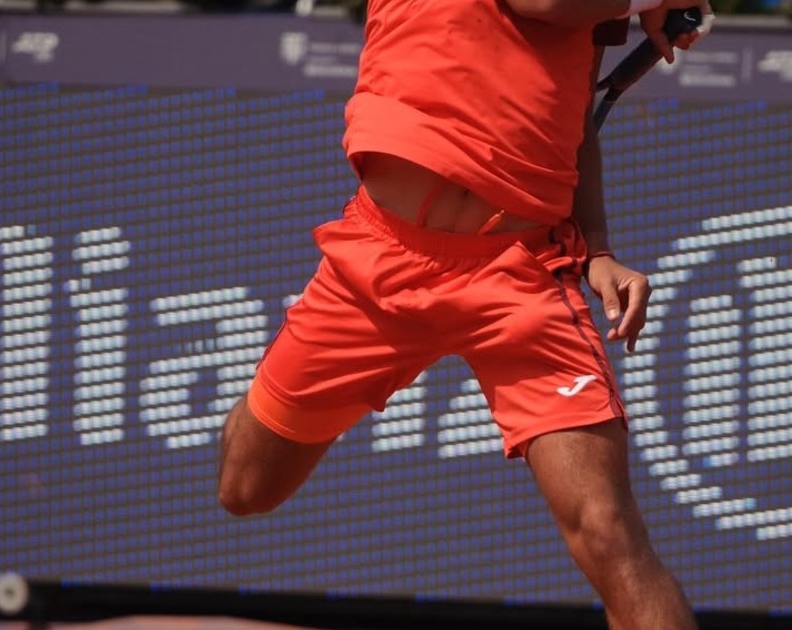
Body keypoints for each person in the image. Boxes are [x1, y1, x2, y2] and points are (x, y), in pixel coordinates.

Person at [217, 0, 712, 627]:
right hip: (378, 260)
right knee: (246, 487)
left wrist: (598, 249)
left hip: (522, 273)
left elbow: (576, 112)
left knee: (608, 531)